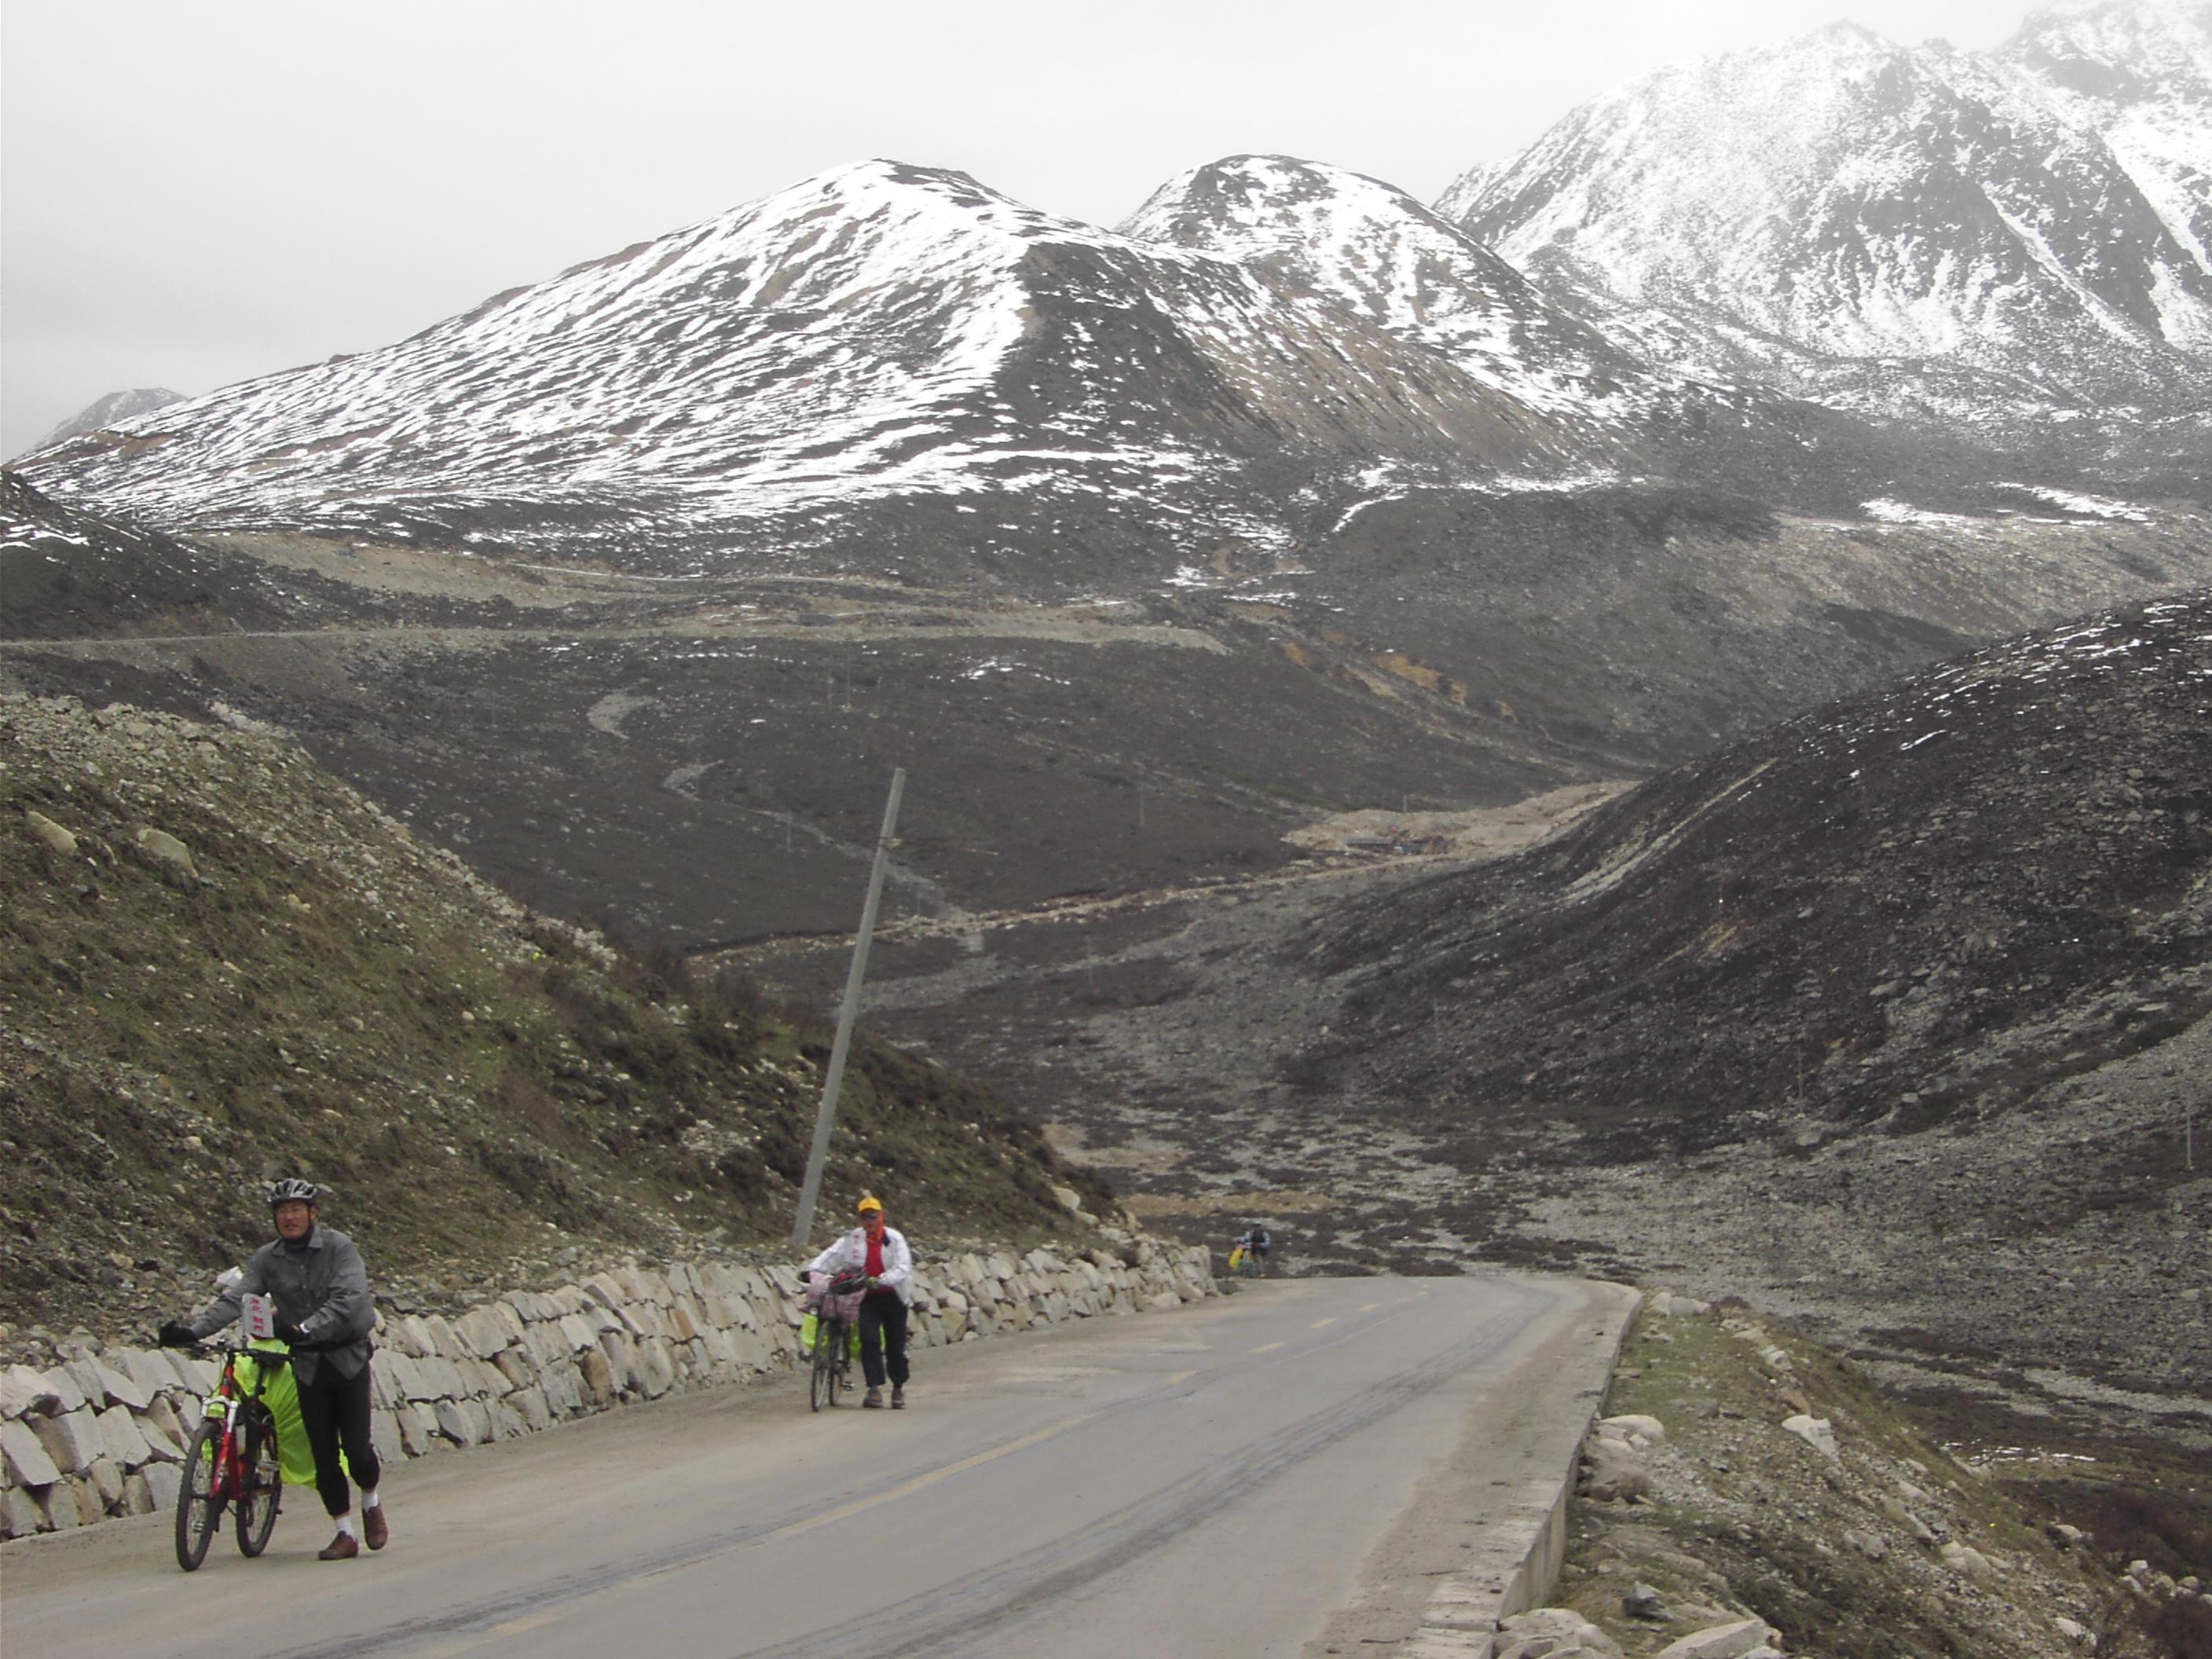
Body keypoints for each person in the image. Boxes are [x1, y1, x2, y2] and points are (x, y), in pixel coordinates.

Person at [159, 1179, 387, 1560]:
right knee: (323, 1455)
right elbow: (237, 1298)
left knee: (358, 1451)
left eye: (297, 1209)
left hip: (346, 1360)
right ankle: (343, 1532)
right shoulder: (267, 1258)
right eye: (282, 1211)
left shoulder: (339, 1249)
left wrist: (302, 1328)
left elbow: (348, 1301)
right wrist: (191, 1331)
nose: (289, 1217)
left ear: (313, 1213)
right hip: (307, 1365)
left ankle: (370, 1501)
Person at [808, 1194, 912, 1408]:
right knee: (869, 1341)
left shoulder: (894, 1239)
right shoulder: (853, 1240)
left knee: (895, 1346)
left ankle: (898, 1388)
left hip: (894, 1296)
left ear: (881, 1217)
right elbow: (830, 1256)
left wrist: (882, 1280)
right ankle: (873, 1390)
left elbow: (903, 1267)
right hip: (865, 1297)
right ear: (859, 1219)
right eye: (865, 1217)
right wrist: (812, 1271)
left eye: (873, 1216)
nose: (869, 1222)